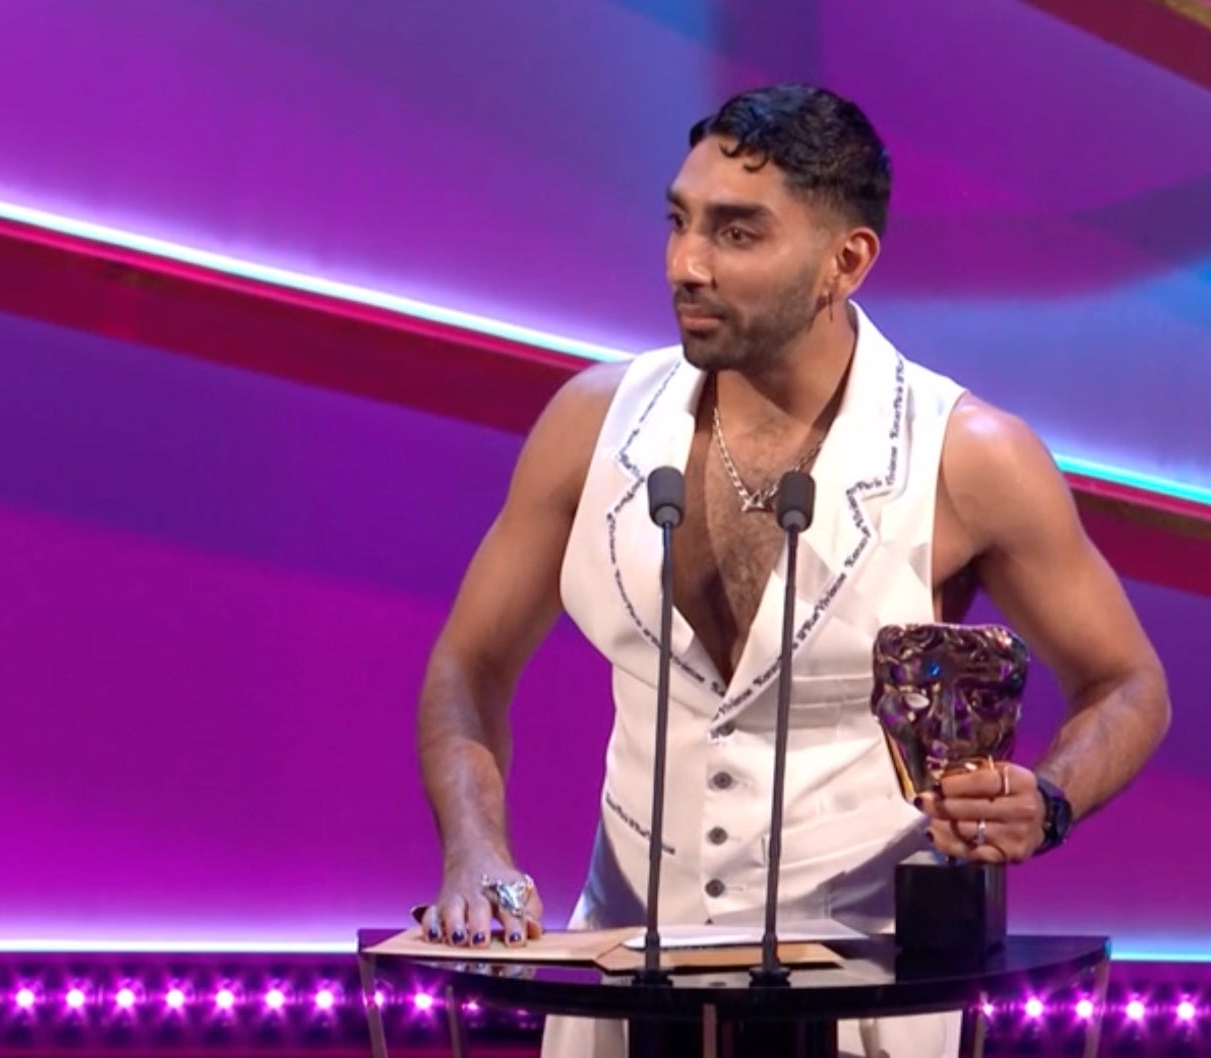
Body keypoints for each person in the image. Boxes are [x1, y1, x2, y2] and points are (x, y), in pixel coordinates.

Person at [415, 83, 1171, 1057]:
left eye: (736, 234)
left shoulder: (965, 454)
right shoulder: (590, 425)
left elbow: (1128, 681)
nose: (685, 264)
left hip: (864, 1010)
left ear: (843, 263)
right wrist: (475, 848)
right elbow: (464, 668)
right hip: (622, 1002)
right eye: (678, 221)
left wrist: (1049, 796)